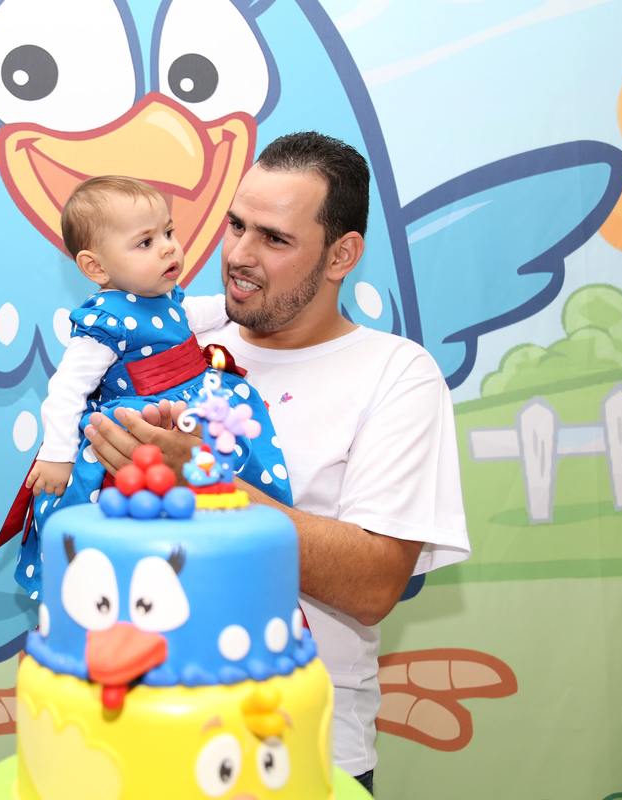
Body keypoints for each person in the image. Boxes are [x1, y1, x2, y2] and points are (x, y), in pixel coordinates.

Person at [82, 133, 471, 794]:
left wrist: (205, 481)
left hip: (298, 754)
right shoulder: (169, 344)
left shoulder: (395, 374)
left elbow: (375, 584)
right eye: (236, 225)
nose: (239, 255)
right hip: (140, 739)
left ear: (342, 255)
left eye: (275, 239)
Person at [0, 175, 292, 597]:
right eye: (145, 242)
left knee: (226, 477)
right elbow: (66, 391)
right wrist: (57, 455)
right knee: (142, 519)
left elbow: (206, 312)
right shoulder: (105, 320)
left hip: (197, 407)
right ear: (96, 267)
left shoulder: (169, 299)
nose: (168, 247)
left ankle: (246, 543)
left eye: (168, 232)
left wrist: (243, 304)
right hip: (144, 423)